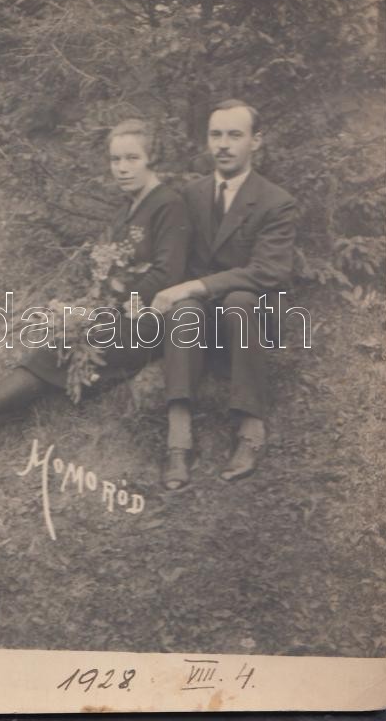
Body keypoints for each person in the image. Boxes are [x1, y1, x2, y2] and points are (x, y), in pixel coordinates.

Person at [0, 119, 191, 478]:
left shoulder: (169, 204)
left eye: (132, 158)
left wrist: (105, 306)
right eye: (115, 159)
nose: (122, 168)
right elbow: (108, 268)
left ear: (151, 158)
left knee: (58, 349)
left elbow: (167, 274)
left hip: (147, 322)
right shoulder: (128, 209)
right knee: (59, 348)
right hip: (115, 314)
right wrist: (91, 303)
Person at [153, 99, 297, 490]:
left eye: (235, 135)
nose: (223, 144)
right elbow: (175, 259)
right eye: (216, 134)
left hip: (251, 317)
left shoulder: (275, 201)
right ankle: (178, 437)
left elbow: (267, 272)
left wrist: (195, 286)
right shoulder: (191, 194)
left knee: (238, 300)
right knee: (183, 307)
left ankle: (250, 427)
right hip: (202, 321)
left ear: (256, 141)